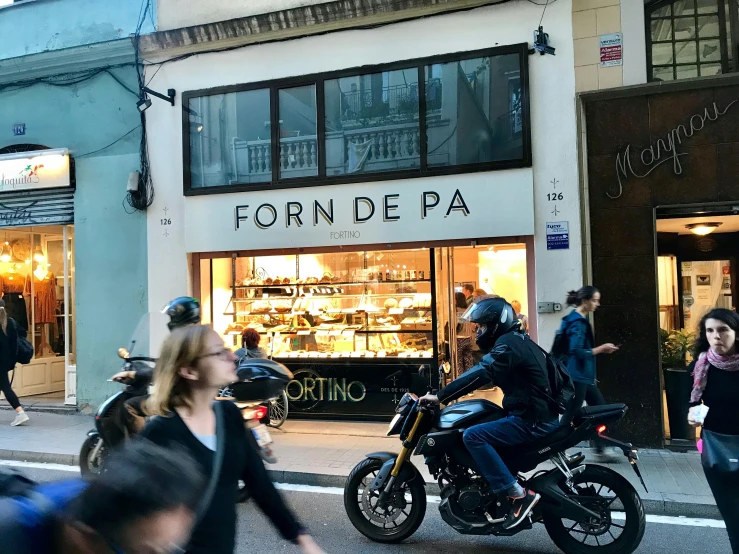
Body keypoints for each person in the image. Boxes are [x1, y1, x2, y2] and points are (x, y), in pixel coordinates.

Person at [140, 324, 325, 554]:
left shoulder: (229, 416)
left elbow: (259, 483)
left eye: (226, 349)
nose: (230, 356)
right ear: (189, 370)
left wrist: (301, 537)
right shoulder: (161, 432)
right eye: (218, 353)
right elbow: (131, 509)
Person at [419, 297, 560, 530]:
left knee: (473, 436)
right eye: (477, 327)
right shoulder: (515, 341)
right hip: (533, 413)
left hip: (532, 419)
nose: (478, 331)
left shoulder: (508, 345)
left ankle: (518, 494)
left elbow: (483, 371)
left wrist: (441, 396)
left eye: (482, 326)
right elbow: (487, 373)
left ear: (496, 325)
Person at [3, 439, 204, 554]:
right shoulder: (12, 536)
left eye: (172, 549)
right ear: (84, 537)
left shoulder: (108, 501)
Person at [687, 308, 739, 552]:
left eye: (723, 330)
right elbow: (693, 401)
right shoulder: (700, 366)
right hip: (716, 449)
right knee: (734, 519)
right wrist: (692, 412)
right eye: (710, 330)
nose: (716, 336)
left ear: (736, 334)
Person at [112, 296, 202, 435]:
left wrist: (133, 374)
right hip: (191, 394)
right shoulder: (197, 337)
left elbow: (166, 371)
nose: (170, 322)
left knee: (130, 406)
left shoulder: (184, 340)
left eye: (172, 317)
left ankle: (141, 448)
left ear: (180, 318)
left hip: (178, 398)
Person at [558, 286, 618, 457]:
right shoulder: (578, 323)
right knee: (570, 415)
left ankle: (600, 447)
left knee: (599, 409)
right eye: (595, 300)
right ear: (585, 301)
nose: (598, 304)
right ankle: (554, 447)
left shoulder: (571, 319)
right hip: (578, 376)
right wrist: (601, 349)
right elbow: (575, 351)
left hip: (581, 376)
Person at [0, 299, 28, 426]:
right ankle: (20, 412)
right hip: (6, 361)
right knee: (3, 386)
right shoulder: (10, 322)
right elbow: (22, 334)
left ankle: (20, 412)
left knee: (6, 387)